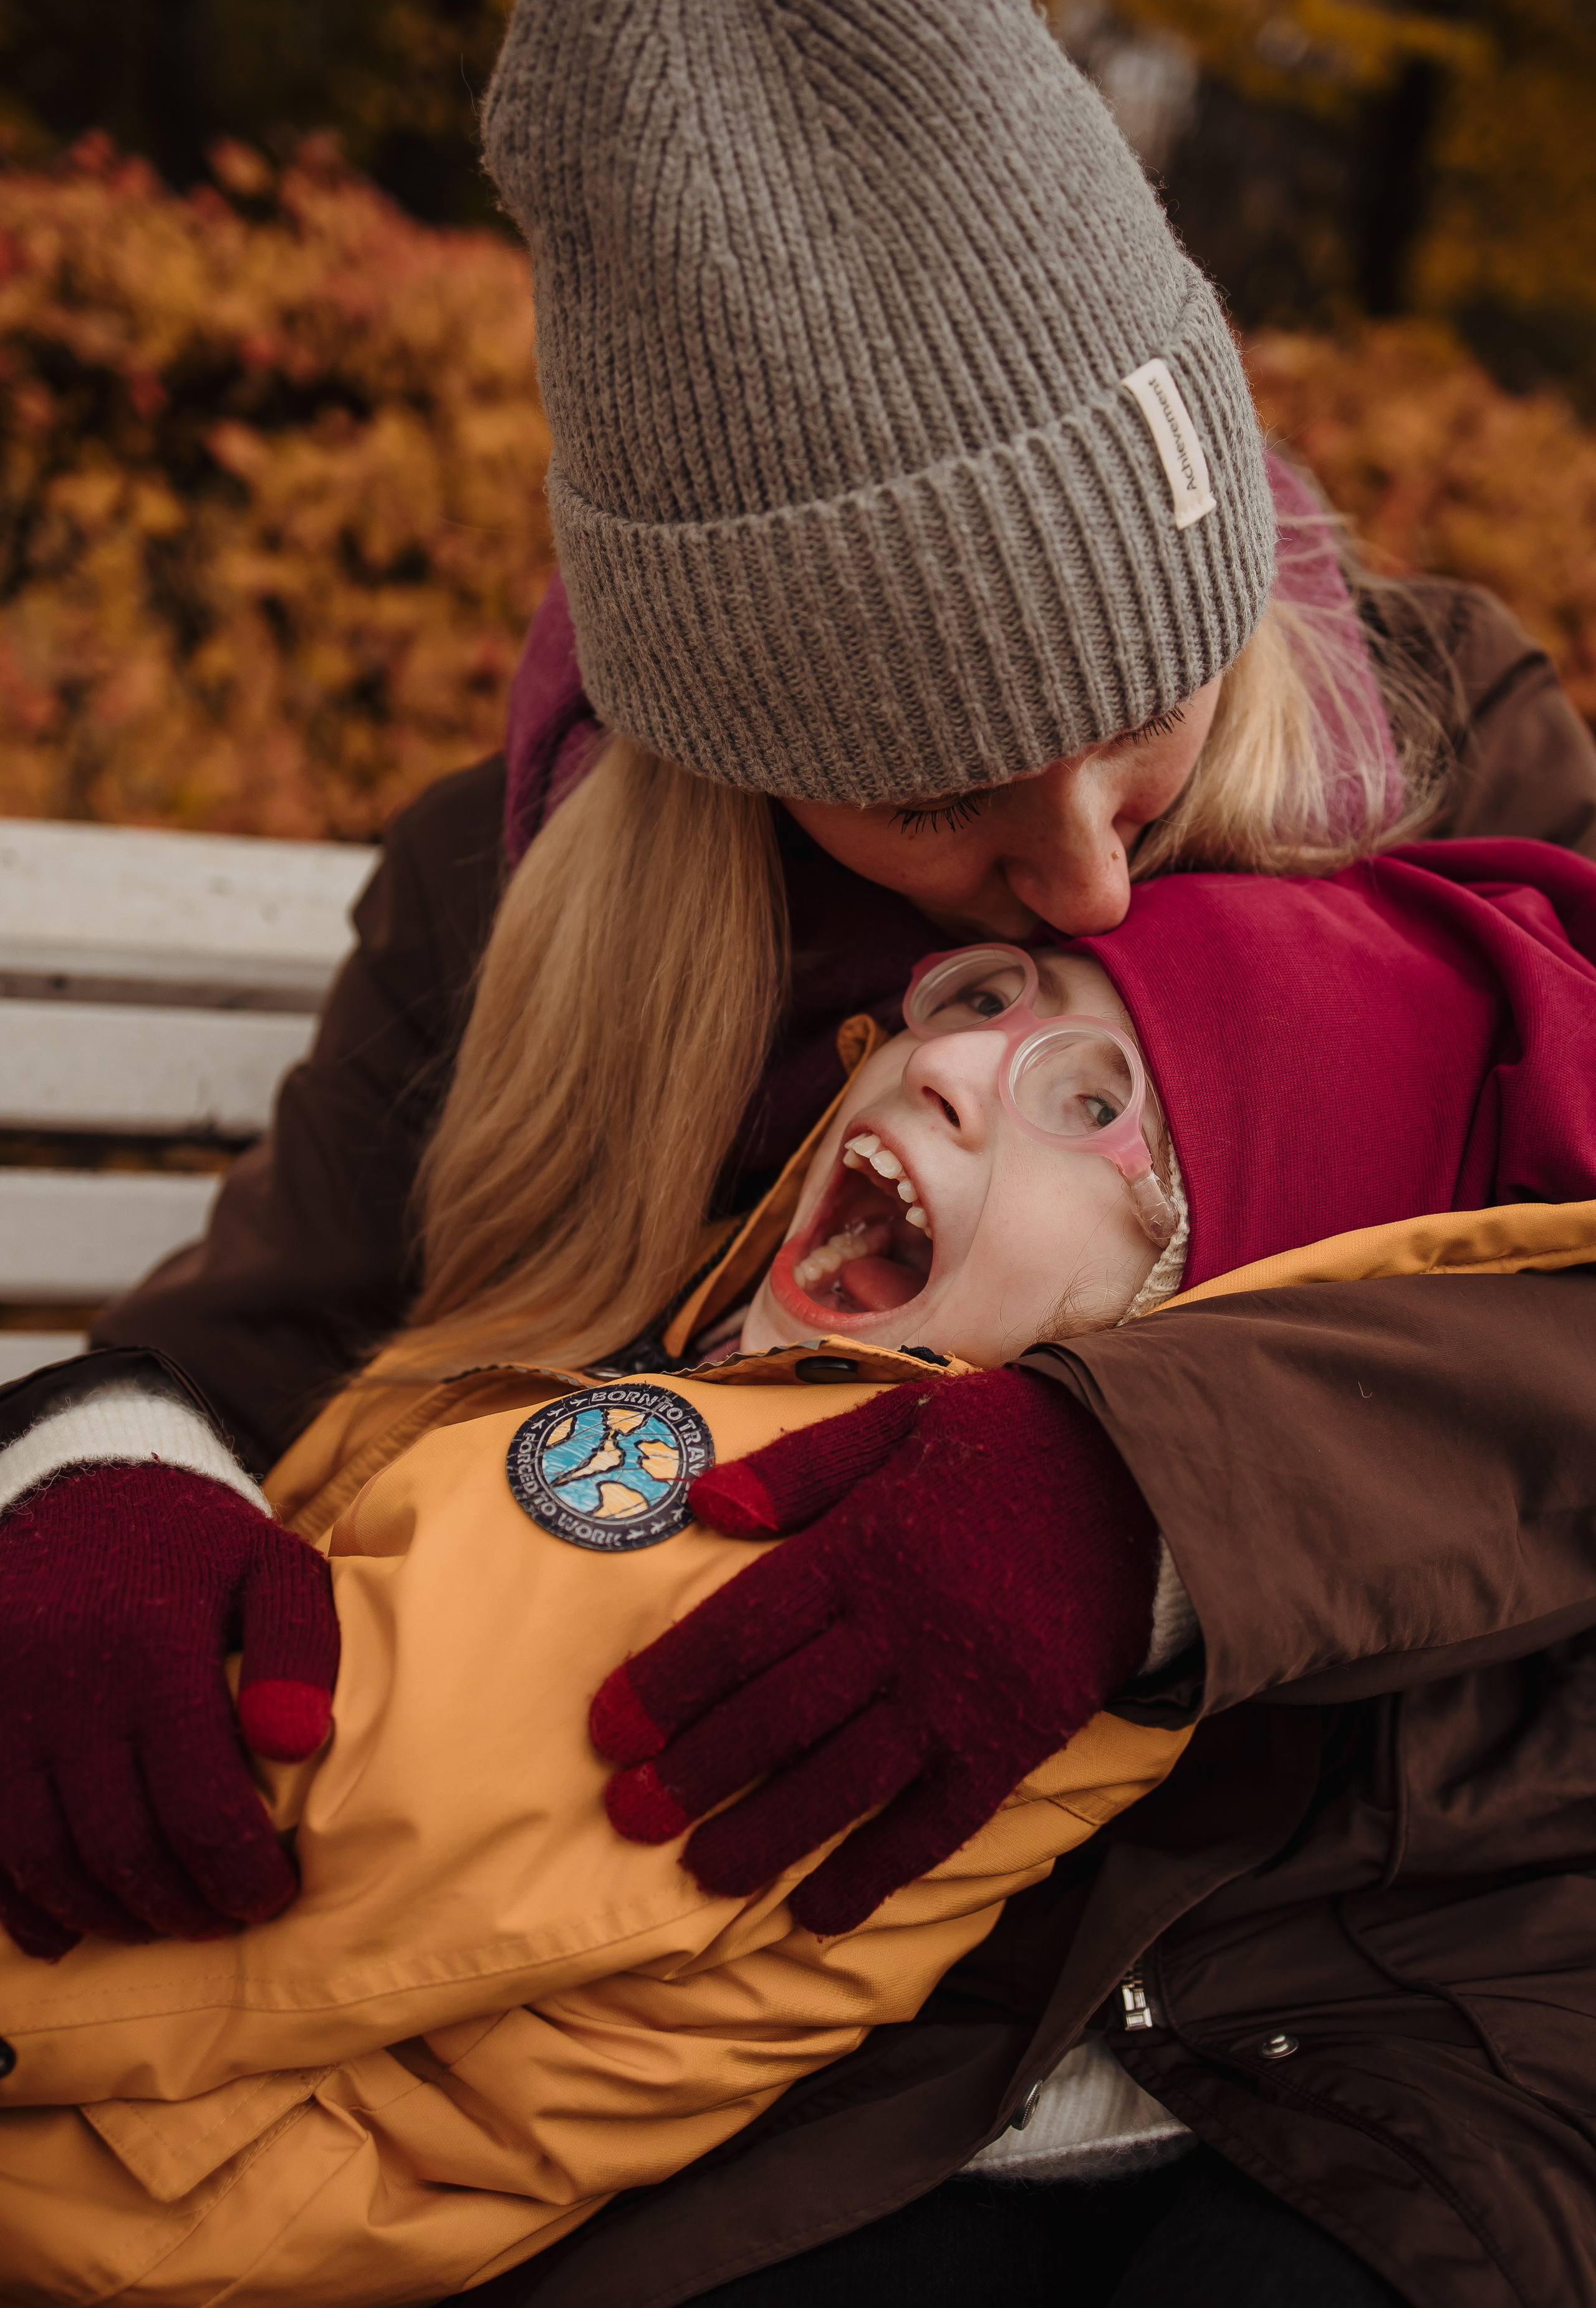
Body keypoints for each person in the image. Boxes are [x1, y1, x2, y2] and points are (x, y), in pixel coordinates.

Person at [1, 0, 1594, 2299]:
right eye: (944, 801)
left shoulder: (1447, 728)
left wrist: (1136, 1500)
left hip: (1386, 2021)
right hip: (774, 2120)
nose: (1079, 868)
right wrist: (92, 1486)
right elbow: (260, 1335)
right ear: (732, 735)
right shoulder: (507, 896)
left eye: (1143, 719)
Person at [5, 837, 1595, 2308]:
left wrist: (1144, 1479)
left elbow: (355, 1878)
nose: (949, 1064)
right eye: (978, 995)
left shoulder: (781, 1520)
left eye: (1093, 1104)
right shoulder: (682, 1380)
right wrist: (91, 1460)